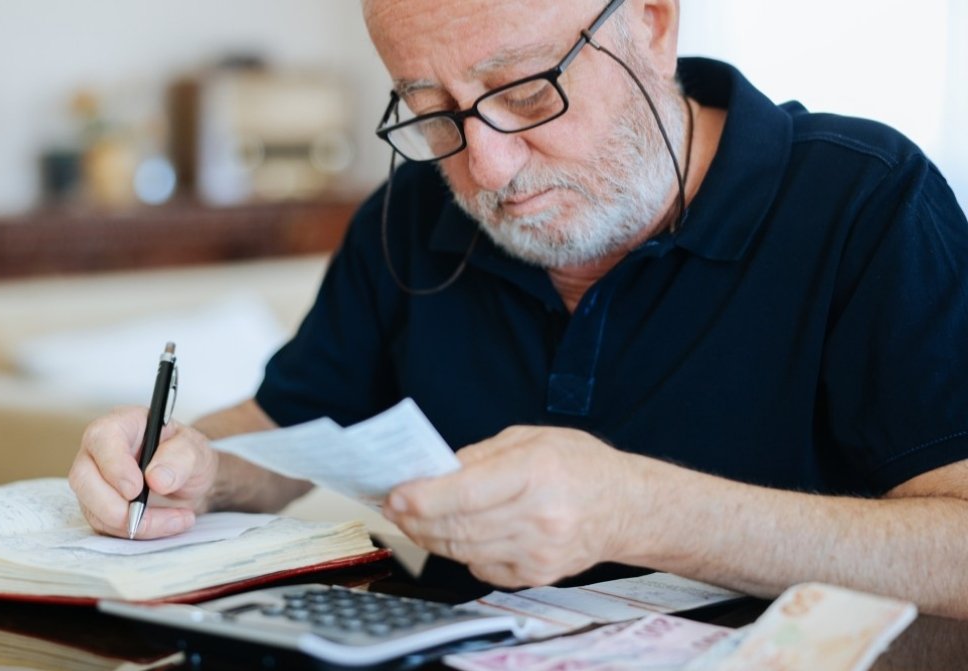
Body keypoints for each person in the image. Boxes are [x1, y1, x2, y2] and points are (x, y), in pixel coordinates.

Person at [70, 0, 968, 617]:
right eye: (432, 114)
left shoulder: (866, 203)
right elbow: (290, 427)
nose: (489, 171)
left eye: (531, 92)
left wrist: (641, 509)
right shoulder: (412, 216)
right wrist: (189, 464)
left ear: (651, 21)